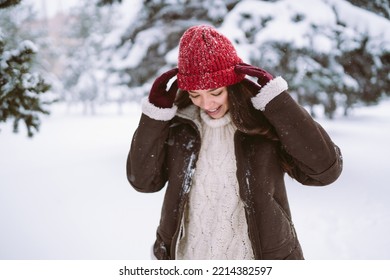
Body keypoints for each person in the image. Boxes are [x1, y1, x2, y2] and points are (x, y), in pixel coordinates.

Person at [126, 25, 343, 260]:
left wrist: (278, 102)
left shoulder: (263, 123)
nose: (207, 104)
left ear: (232, 84)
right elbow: (143, 181)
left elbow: (324, 171)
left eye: (215, 92)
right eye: (195, 95)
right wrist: (155, 115)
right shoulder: (180, 126)